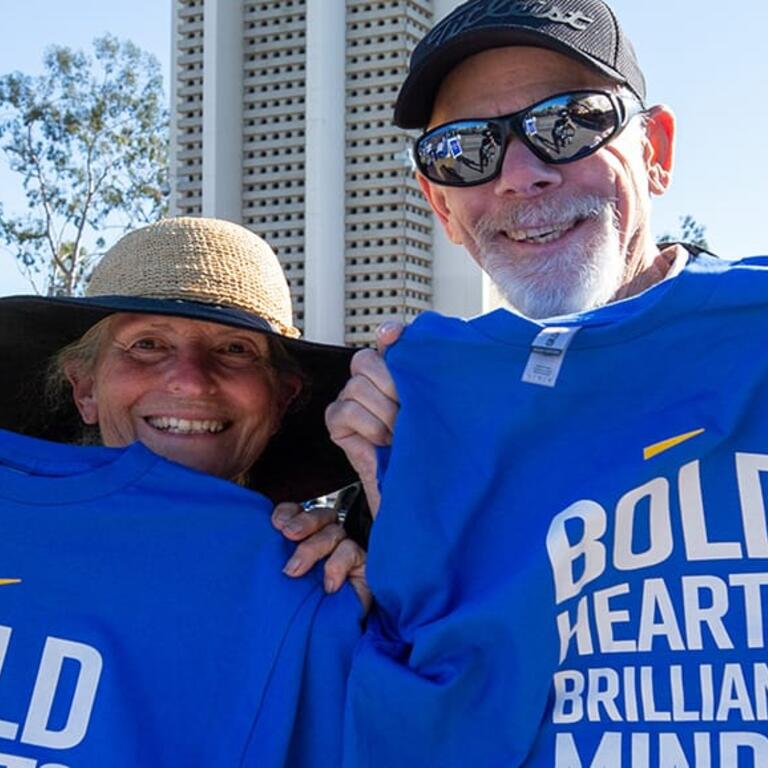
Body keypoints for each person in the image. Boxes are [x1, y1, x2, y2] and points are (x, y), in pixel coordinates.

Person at [329, 1, 768, 766]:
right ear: (441, 206)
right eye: (466, 151)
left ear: (656, 150)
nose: (521, 177)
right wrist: (394, 512)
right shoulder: (419, 410)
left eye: (569, 123)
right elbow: (427, 728)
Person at [0, 217, 364, 767]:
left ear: (282, 399)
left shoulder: (303, 587)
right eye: (147, 344)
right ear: (84, 388)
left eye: (236, 350)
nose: (191, 381)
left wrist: (354, 598)